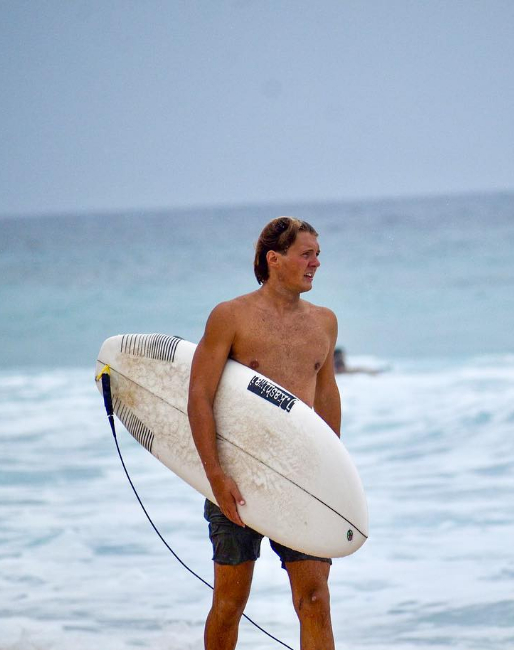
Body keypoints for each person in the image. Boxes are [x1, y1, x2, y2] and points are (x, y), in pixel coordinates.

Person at [187, 216, 341, 650]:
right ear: (275, 259)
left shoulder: (325, 322)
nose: (315, 263)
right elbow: (199, 396)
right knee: (231, 602)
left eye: (318, 255)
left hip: (300, 480)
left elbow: (327, 396)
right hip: (239, 478)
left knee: (314, 599)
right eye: (306, 254)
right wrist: (216, 476)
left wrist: (331, 474)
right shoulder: (230, 317)